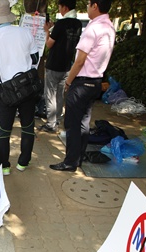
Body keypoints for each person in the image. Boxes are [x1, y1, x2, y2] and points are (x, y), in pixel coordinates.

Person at [49, 0, 115, 172]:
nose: (86, 7)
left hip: (83, 81)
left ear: (95, 6)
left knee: (72, 124)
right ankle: (78, 158)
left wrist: (69, 82)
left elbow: (79, 61)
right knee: (83, 123)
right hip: (95, 82)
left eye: (88, 4)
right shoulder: (109, 27)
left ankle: (70, 161)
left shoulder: (93, 28)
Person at [0, 0, 40, 175]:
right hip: (28, 89)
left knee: (4, 130)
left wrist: (0, 78)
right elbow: (35, 59)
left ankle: (4, 167)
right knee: (28, 127)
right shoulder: (25, 32)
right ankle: (23, 163)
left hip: (5, 91)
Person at [38, 0, 82, 133]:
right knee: (60, 95)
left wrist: (47, 31)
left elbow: (49, 44)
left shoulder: (61, 23)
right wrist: (53, 28)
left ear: (65, 7)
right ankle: (57, 119)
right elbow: (65, 39)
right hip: (67, 66)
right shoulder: (78, 24)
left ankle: (51, 124)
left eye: (60, 6)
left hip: (54, 64)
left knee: (50, 94)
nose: (59, 9)